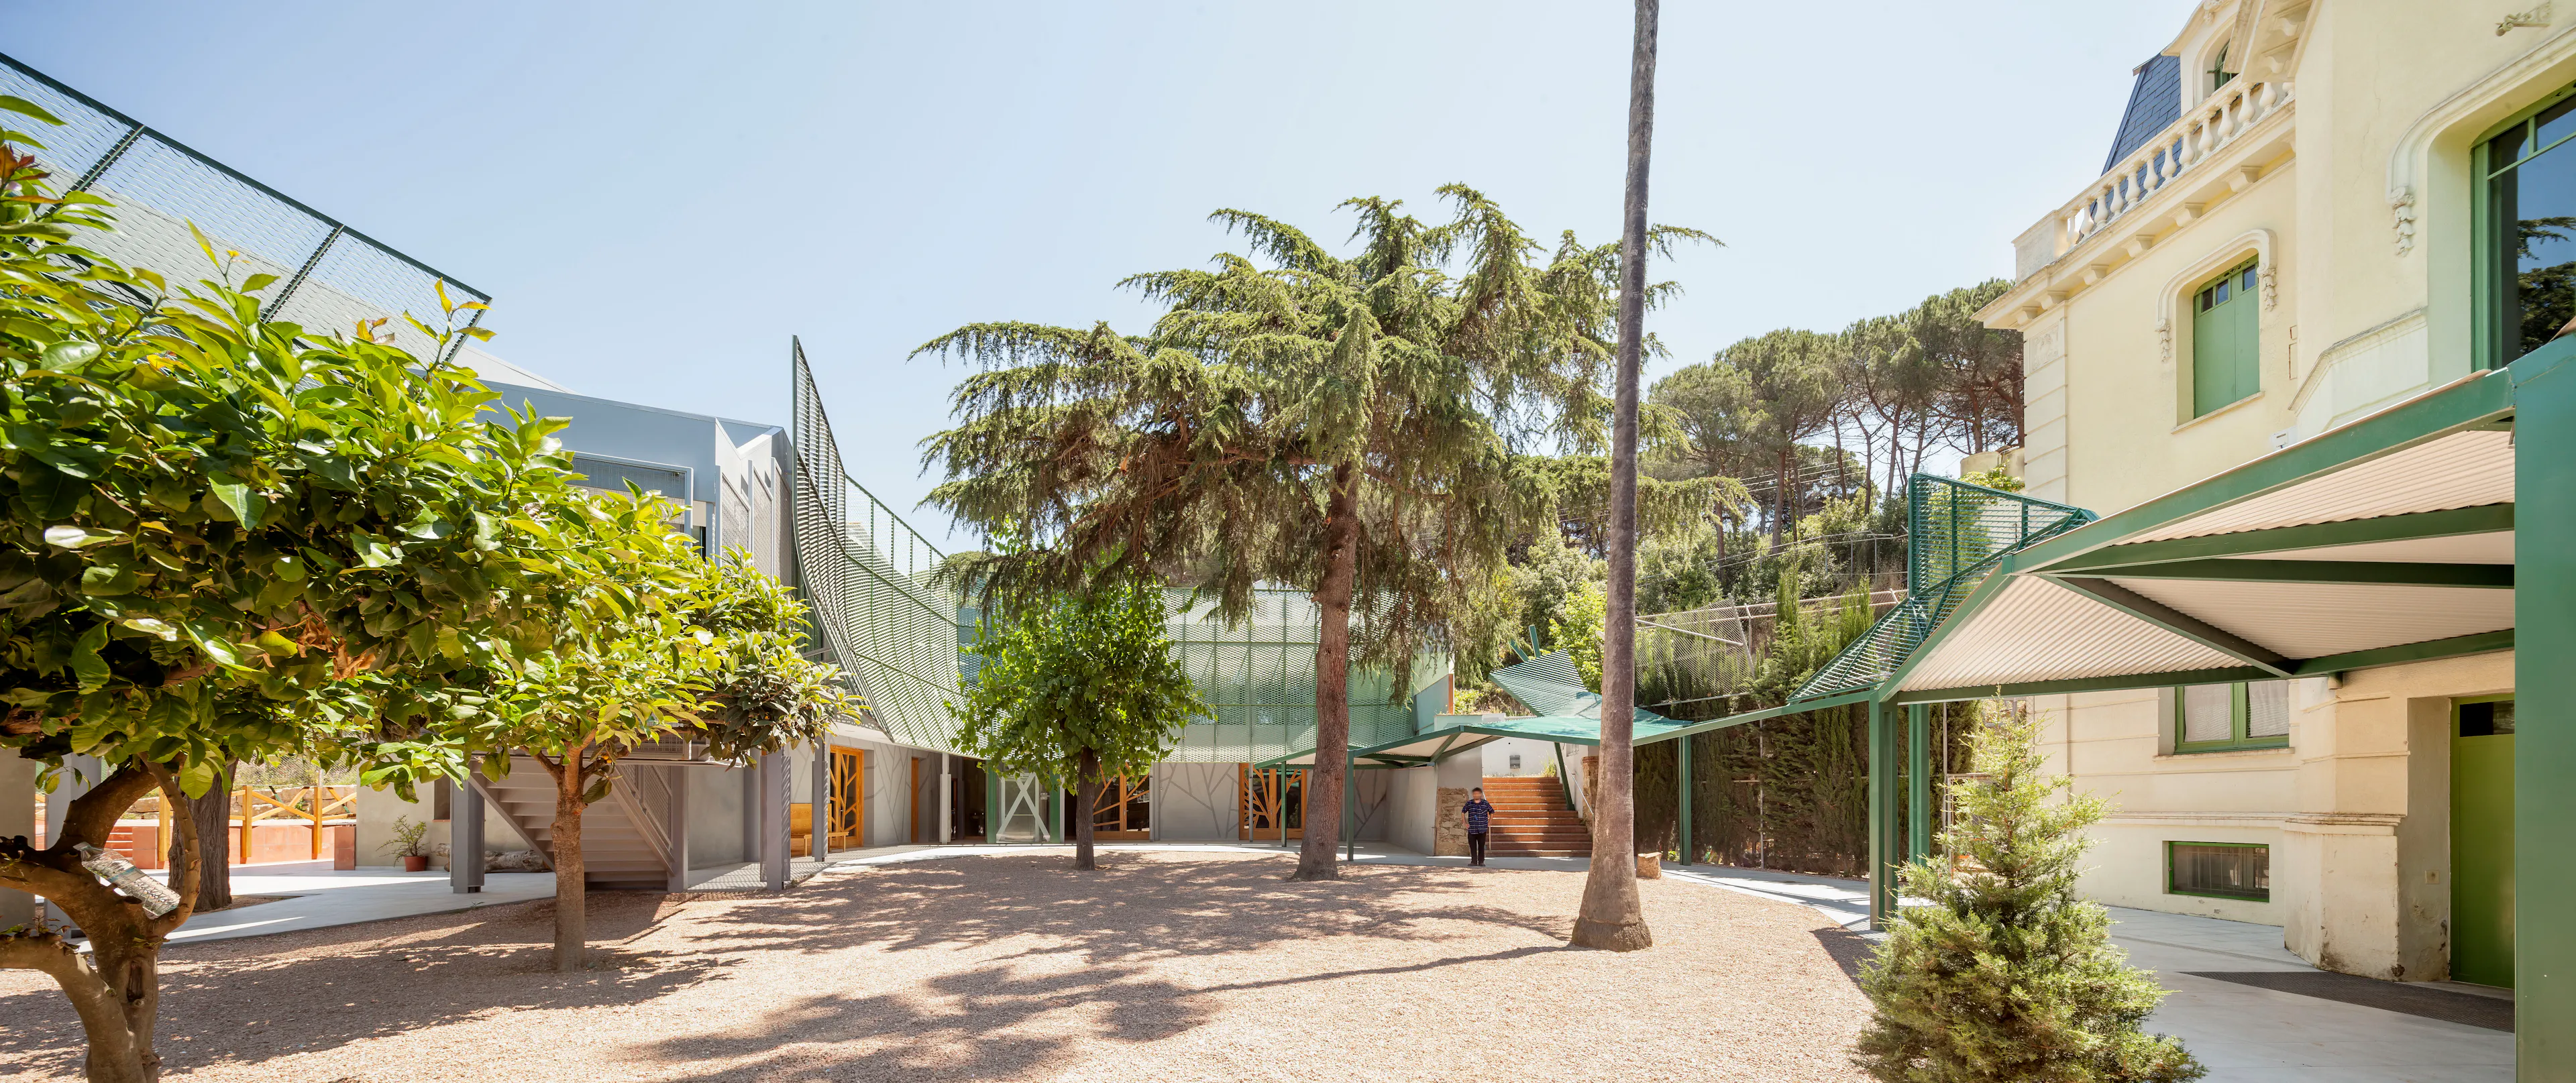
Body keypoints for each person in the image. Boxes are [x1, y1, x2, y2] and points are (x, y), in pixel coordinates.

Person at [1462, 786, 1494, 867]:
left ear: (1481, 794)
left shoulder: (1485, 803)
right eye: (1474, 794)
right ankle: (1473, 861)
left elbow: (1492, 812)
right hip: (1472, 829)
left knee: (1481, 846)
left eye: (1478, 794)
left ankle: (1481, 862)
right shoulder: (1469, 803)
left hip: (1482, 829)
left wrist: (1490, 822)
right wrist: (1465, 823)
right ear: (1473, 795)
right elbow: (1463, 812)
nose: (1476, 795)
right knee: (1472, 846)